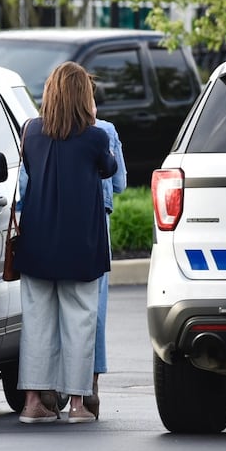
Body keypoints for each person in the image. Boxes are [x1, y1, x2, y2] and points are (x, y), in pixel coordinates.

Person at [13, 62, 118, 424]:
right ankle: (77, 405)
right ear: (82, 96)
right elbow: (109, 170)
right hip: (81, 245)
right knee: (80, 323)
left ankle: (32, 404)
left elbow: (27, 171)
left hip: (37, 242)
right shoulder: (96, 137)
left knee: (37, 325)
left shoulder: (31, 132)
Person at [87, 117, 126, 419]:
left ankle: (44, 390)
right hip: (97, 219)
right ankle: (90, 386)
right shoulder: (104, 131)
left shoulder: (37, 128)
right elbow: (119, 183)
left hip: (49, 219)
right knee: (93, 308)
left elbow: (23, 184)